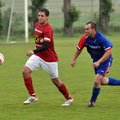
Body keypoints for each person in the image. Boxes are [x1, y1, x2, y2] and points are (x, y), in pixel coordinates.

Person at [22, 8, 73, 106]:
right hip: (38, 56)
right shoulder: (37, 25)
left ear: (47, 17)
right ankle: (33, 96)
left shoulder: (48, 29)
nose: (40, 17)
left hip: (49, 59)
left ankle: (69, 98)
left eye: (42, 16)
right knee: (25, 71)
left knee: (55, 80)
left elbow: (46, 46)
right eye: (39, 15)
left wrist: (33, 51)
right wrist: (35, 53)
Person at [71, 21, 120, 107]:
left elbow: (109, 52)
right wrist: (74, 59)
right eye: (85, 29)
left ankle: (92, 102)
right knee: (103, 81)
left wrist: (99, 62)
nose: (86, 31)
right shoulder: (85, 38)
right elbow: (79, 49)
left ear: (93, 29)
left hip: (105, 60)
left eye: (87, 29)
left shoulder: (101, 38)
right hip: (96, 61)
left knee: (96, 81)